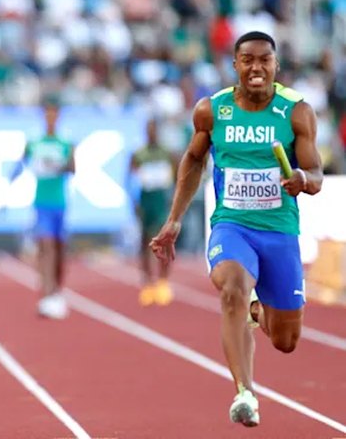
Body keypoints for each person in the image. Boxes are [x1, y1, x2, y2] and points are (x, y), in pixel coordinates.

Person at [150, 31, 323, 428]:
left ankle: (258, 309)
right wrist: (174, 219)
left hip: (279, 232)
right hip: (233, 226)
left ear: (276, 66)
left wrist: (301, 178)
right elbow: (193, 160)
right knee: (231, 287)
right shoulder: (213, 111)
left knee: (285, 341)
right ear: (235, 66)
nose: (256, 67)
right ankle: (245, 392)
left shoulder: (296, 112)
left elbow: (316, 175)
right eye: (248, 60)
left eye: (265, 60)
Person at [8, 100, 75, 319]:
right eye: (47, 114)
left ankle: (57, 291)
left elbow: (73, 168)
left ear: (59, 116)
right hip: (41, 202)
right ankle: (47, 295)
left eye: (54, 114)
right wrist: (8, 187)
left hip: (60, 203)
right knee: (46, 247)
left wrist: (56, 165)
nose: (50, 118)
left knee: (59, 250)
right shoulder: (34, 142)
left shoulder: (65, 142)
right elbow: (20, 163)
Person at [129, 119, 175, 306]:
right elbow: (131, 177)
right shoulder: (139, 154)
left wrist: (173, 199)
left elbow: (176, 174)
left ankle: (163, 282)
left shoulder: (166, 153)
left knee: (164, 241)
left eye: (154, 130)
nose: (152, 133)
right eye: (149, 130)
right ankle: (147, 283)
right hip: (146, 200)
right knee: (146, 241)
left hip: (161, 201)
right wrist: (134, 201)